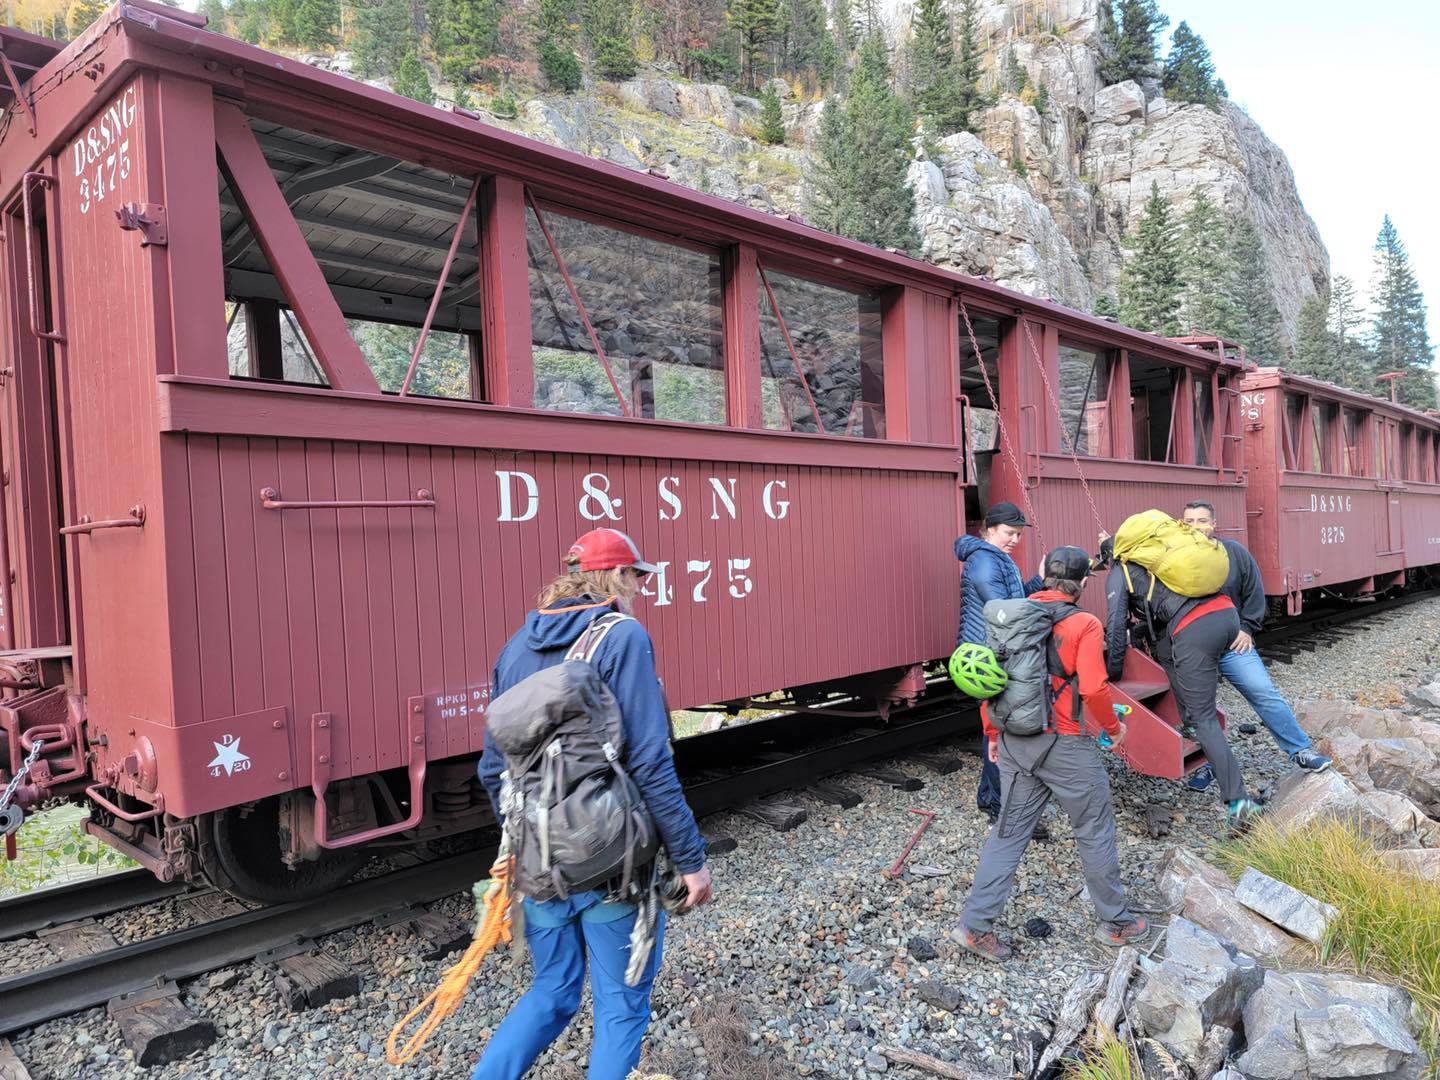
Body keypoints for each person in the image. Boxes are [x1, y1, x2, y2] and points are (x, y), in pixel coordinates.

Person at [473, 528, 713, 1080]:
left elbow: (493, 767)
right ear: (617, 577)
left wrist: (531, 842)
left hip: (539, 862)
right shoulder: (623, 637)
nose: (640, 588)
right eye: (638, 576)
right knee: (620, 1003)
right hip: (610, 864)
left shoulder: (516, 647)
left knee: (553, 994)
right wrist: (692, 860)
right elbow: (650, 760)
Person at [956, 547, 1148, 961]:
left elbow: (989, 681)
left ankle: (974, 926)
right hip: (1066, 745)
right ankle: (1116, 923)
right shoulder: (1084, 623)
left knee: (1007, 835)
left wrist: (992, 732)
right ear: (1082, 583)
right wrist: (1114, 730)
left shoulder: (1009, 617)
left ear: (1042, 577)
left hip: (1014, 741)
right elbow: (1095, 689)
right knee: (1093, 829)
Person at [1103, 532, 1262, 832]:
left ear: (1111, 557)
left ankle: (1240, 803)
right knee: (1171, 661)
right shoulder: (1160, 563)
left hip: (1196, 628)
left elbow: (1113, 627)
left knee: (1205, 718)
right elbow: (1160, 622)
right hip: (1226, 614)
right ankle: (1190, 723)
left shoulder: (1119, 572)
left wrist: (1112, 672)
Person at [1178, 501, 1332, 789]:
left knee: (1263, 691)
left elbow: (1254, 592)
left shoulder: (1234, 553)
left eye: (1201, 521)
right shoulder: (1173, 558)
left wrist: (1247, 628)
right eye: (1189, 521)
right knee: (1200, 709)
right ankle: (1209, 765)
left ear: (1213, 524)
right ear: (1181, 524)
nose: (1195, 527)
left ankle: (1300, 751)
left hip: (1233, 645)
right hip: (1194, 649)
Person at [955, 502, 1043, 824]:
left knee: (995, 727)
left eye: (1018, 534)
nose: (1015, 540)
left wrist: (1039, 581)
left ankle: (989, 798)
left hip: (993, 651)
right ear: (990, 529)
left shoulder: (997, 559)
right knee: (1000, 734)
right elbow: (1001, 609)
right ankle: (1003, 810)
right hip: (986, 656)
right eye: (1009, 533)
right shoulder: (984, 562)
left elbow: (1013, 601)